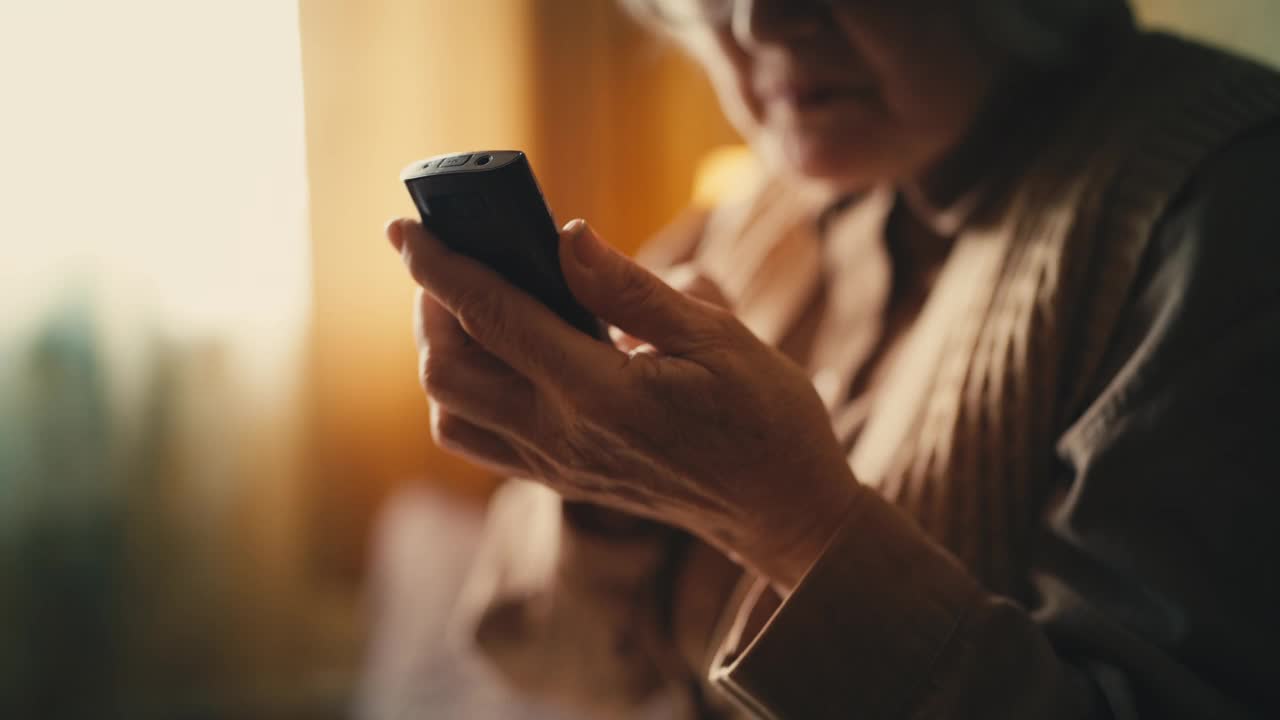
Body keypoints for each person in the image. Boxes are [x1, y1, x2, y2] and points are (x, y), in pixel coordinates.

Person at [385, 0, 1280, 717]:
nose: (760, 23)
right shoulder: (766, 202)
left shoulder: (1224, 206)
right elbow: (536, 661)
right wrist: (612, 496)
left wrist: (786, 522)